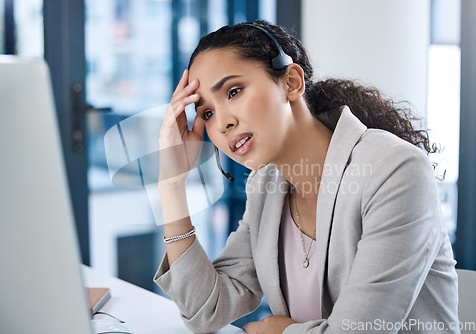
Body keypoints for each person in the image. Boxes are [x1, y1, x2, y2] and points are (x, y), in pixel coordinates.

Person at [154, 20, 459, 334]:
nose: (222, 124)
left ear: (291, 82)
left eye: (233, 91)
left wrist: (276, 330)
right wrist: (171, 185)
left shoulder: (395, 169)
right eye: (207, 113)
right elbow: (207, 311)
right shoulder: (266, 187)